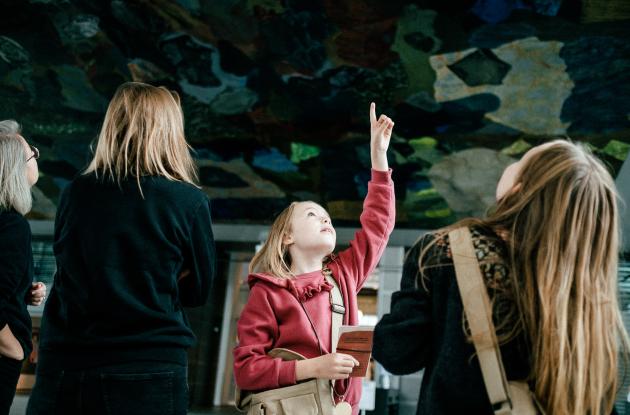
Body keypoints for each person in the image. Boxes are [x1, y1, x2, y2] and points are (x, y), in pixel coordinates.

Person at [373, 140, 629, 414]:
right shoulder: (586, 290)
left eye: (520, 161)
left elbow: (398, 353)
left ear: (518, 191)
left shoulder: (445, 252)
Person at [27, 82, 216, 415]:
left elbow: (71, 266)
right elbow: (198, 290)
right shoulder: (187, 200)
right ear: (170, 130)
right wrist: (165, 277)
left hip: (69, 360)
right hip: (149, 360)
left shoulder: (77, 192)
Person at [233, 103, 395, 415]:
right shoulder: (267, 292)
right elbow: (246, 369)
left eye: (327, 217)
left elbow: (378, 226)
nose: (326, 221)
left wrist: (379, 158)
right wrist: (313, 368)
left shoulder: (344, 275)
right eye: (312, 215)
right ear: (287, 237)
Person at [0, 121, 46, 415]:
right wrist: (12, 348)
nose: (36, 159)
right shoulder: (11, 226)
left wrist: (22, 292)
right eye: (33, 154)